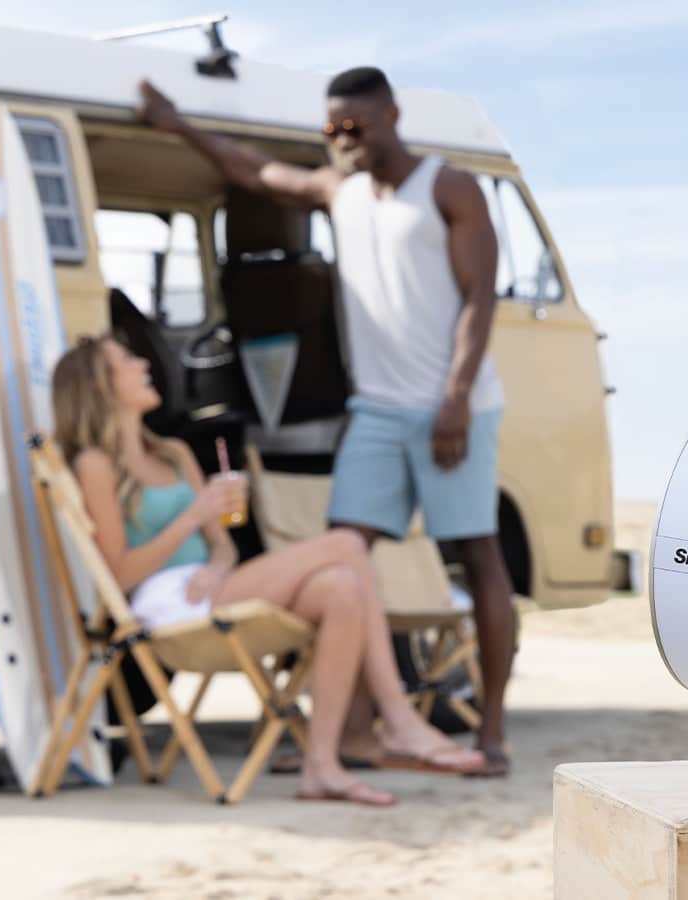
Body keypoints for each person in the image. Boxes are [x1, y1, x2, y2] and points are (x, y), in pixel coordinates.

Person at [138, 65, 516, 776]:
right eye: (331, 129)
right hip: (375, 411)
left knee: (478, 554)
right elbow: (254, 171)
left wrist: (457, 397)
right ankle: (355, 732)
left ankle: (491, 734)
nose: (342, 139)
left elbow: (480, 299)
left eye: (354, 126)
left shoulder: (448, 188)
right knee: (343, 553)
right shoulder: (339, 192)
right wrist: (177, 124)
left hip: (452, 406)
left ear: (391, 116)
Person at [51, 335, 485, 806]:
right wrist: (192, 517)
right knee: (345, 544)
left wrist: (217, 567)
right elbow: (118, 574)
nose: (143, 364)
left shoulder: (173, 453)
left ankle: (322, 767)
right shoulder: (96, 465)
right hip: (167, 605)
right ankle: (398, 718)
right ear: (100, 385)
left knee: (341, 585)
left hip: (211, 589)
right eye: (127, 361)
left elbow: (222, 546)